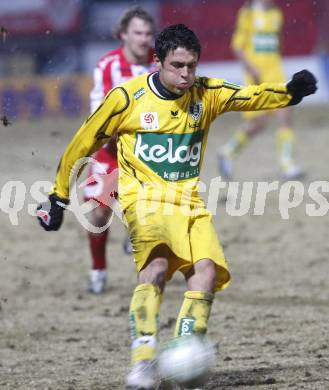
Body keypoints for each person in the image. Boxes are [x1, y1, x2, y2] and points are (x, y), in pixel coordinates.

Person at [37, 24, 316, 390]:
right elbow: (83, 142)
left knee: (206, 275)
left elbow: (249, 95)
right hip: (143, 200)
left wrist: (289, 93)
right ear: (158, 62)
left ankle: (183, 352)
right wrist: (58, 196)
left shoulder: (207, 93)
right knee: (155, 267)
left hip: (189, 202)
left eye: (192, 66)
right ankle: (142, 362)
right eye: (177, 65)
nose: (186, 75)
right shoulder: (126, 99)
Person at [85, 6, 156, 294]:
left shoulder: (160, 62)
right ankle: (98, 269)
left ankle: (137, 233)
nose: (144, 39)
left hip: (148, 153)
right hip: (110, 151)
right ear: (123, 35)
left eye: (149, 33)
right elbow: (100, 111)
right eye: (138, 33)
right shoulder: (108, 66)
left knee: (153, 212)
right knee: (99, 215)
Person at [218, 0, 304, 181]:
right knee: (259, 122)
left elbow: (278, 44)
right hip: (256, 77)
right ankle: (228, 151)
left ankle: (287, 164)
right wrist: (252, 68)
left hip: (276, 74)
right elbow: (238, 47)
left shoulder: (276, 14)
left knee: (286, 114)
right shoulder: (247, 13)